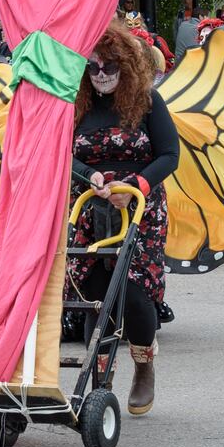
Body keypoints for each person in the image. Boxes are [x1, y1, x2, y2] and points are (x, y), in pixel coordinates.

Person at [68, 22, 177, 417]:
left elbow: (169, 155)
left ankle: (144, 366)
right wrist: (90, 177)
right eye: (93, 67)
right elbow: (60, 153)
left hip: (140, 209)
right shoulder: (76, 103)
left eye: (110, 66)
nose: (101, 75)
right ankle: (101, 378)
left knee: (133, 292)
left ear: (126, 65)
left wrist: (134, 186)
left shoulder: (148, 102)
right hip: (89, 207)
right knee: (93, 294)